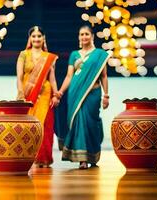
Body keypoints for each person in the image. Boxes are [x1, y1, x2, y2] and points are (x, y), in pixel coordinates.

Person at [57, 25, 110, 169]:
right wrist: (60, 92)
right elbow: (69, 76)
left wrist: (106, 95)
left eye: (86, 34)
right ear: (79, 37)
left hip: (93, 94)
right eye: (81, 34)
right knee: (78, 122)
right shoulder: (74, 54)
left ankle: (92, 154)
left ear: (92, 36)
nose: (84, 37)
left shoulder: (100, 54)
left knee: (91, 123)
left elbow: (104, 76)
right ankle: (82, 159)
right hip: (75, 93)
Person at [16, 26, 59, 168]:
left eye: (39, 36)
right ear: (30, 38)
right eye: (33, 36)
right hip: (27, 94)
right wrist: (21, 93)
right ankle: (27, 156)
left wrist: (56, 94)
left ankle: (43, 158)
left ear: (43, 38)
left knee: (45, 125)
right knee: (26, 125)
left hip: (46, 95)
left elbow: (52, 78)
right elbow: (19, 76)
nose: (36, 38)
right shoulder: (23, 54)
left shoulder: (49, 57)